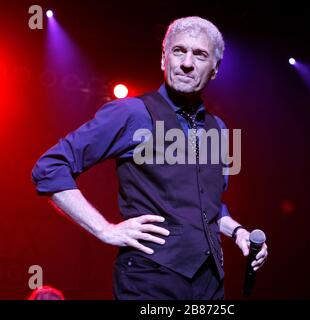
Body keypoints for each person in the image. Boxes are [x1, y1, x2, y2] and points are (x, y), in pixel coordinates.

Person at [32, 16, 268, 300]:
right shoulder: (132, 113)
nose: (187, 63)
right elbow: (50, 167)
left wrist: (238, 231)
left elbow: (209, 208)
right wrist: (104, 229)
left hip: (209, 283)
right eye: (178, 51)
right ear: (163, 59)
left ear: (215, 69)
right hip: (150, 279)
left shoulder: (218, 128)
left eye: (200, 55)